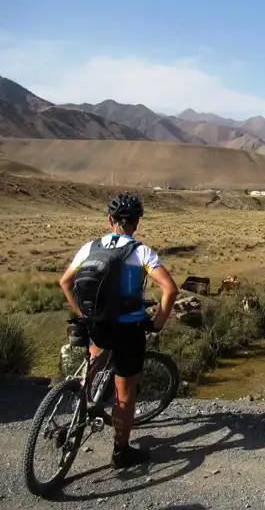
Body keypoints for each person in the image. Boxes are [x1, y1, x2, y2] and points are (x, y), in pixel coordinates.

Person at [59, 193, 178, 468]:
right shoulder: (142, 252)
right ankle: (121, 452)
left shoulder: (90, 248)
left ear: (110, 220)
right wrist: (157, 323)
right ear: (136, 222)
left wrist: (84, 314)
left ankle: (80, 408)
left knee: (93, 367)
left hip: (97, 325)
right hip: (129, 330)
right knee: (125, 395)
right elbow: (170, 291)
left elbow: (65, 282)